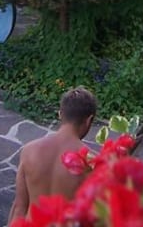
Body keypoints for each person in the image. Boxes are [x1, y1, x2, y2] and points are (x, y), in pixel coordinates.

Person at [7, 86, 98, 225]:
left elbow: (19, 207)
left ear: (60, 114)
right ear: (89, 120)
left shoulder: (29, 150)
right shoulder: (90, 161)